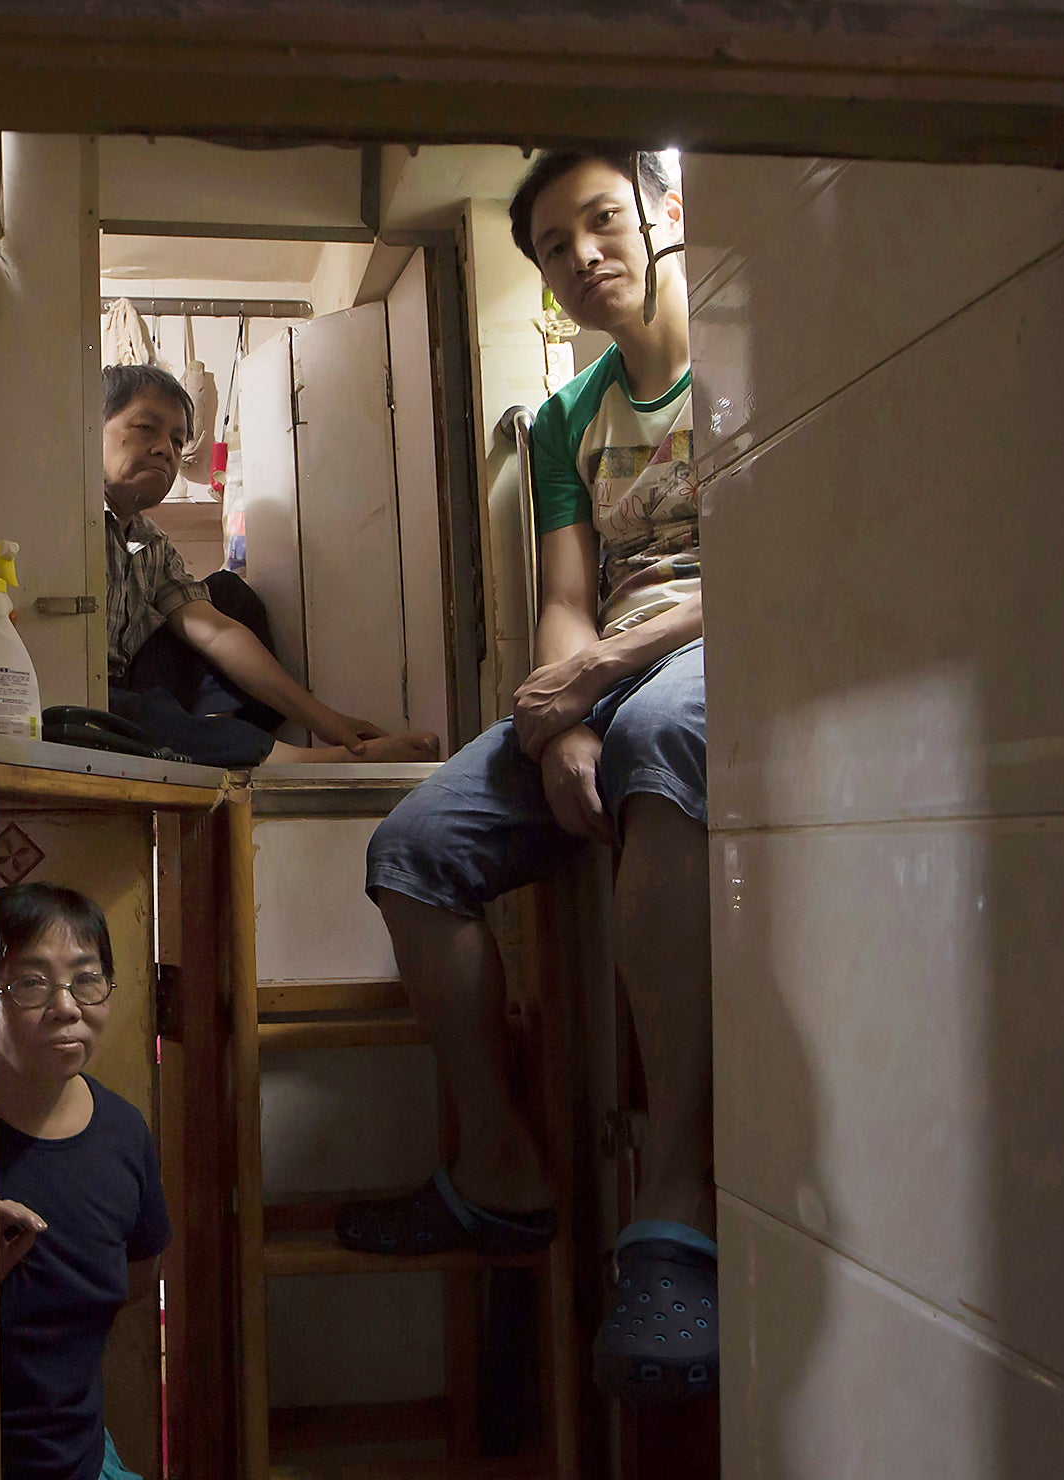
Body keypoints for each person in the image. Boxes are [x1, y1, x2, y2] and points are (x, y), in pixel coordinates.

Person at [335, 149, 717, 1404]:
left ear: (660, 214)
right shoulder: (566, 417)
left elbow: (767, 552)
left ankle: (670, 1212)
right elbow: (563, 599)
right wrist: (556, 727)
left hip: (718, 652)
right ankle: (500, 1171)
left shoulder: (742, 349)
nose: (583, 254)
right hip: (606, 663)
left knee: (660, 733)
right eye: (553, 244)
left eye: (601, 221)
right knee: (413, 846)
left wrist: (602, 672)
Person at [101, 362, 439, 767]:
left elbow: (214, 632)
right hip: (80, 694)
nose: (165, 449)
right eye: (145, 428)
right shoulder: (62, 524)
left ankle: (221, 741)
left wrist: (326, 720)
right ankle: (303, 762)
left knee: (229, 596)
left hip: (132, 691)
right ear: (89, 429)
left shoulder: (151, 543)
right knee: (128, 709)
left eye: (177, 440)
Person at [0, 882, 169, 1480]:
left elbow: (140, 1278)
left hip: (85, 1458)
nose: (66, 1006)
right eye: (32, 982)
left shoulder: (123, 1132)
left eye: (86, 980)